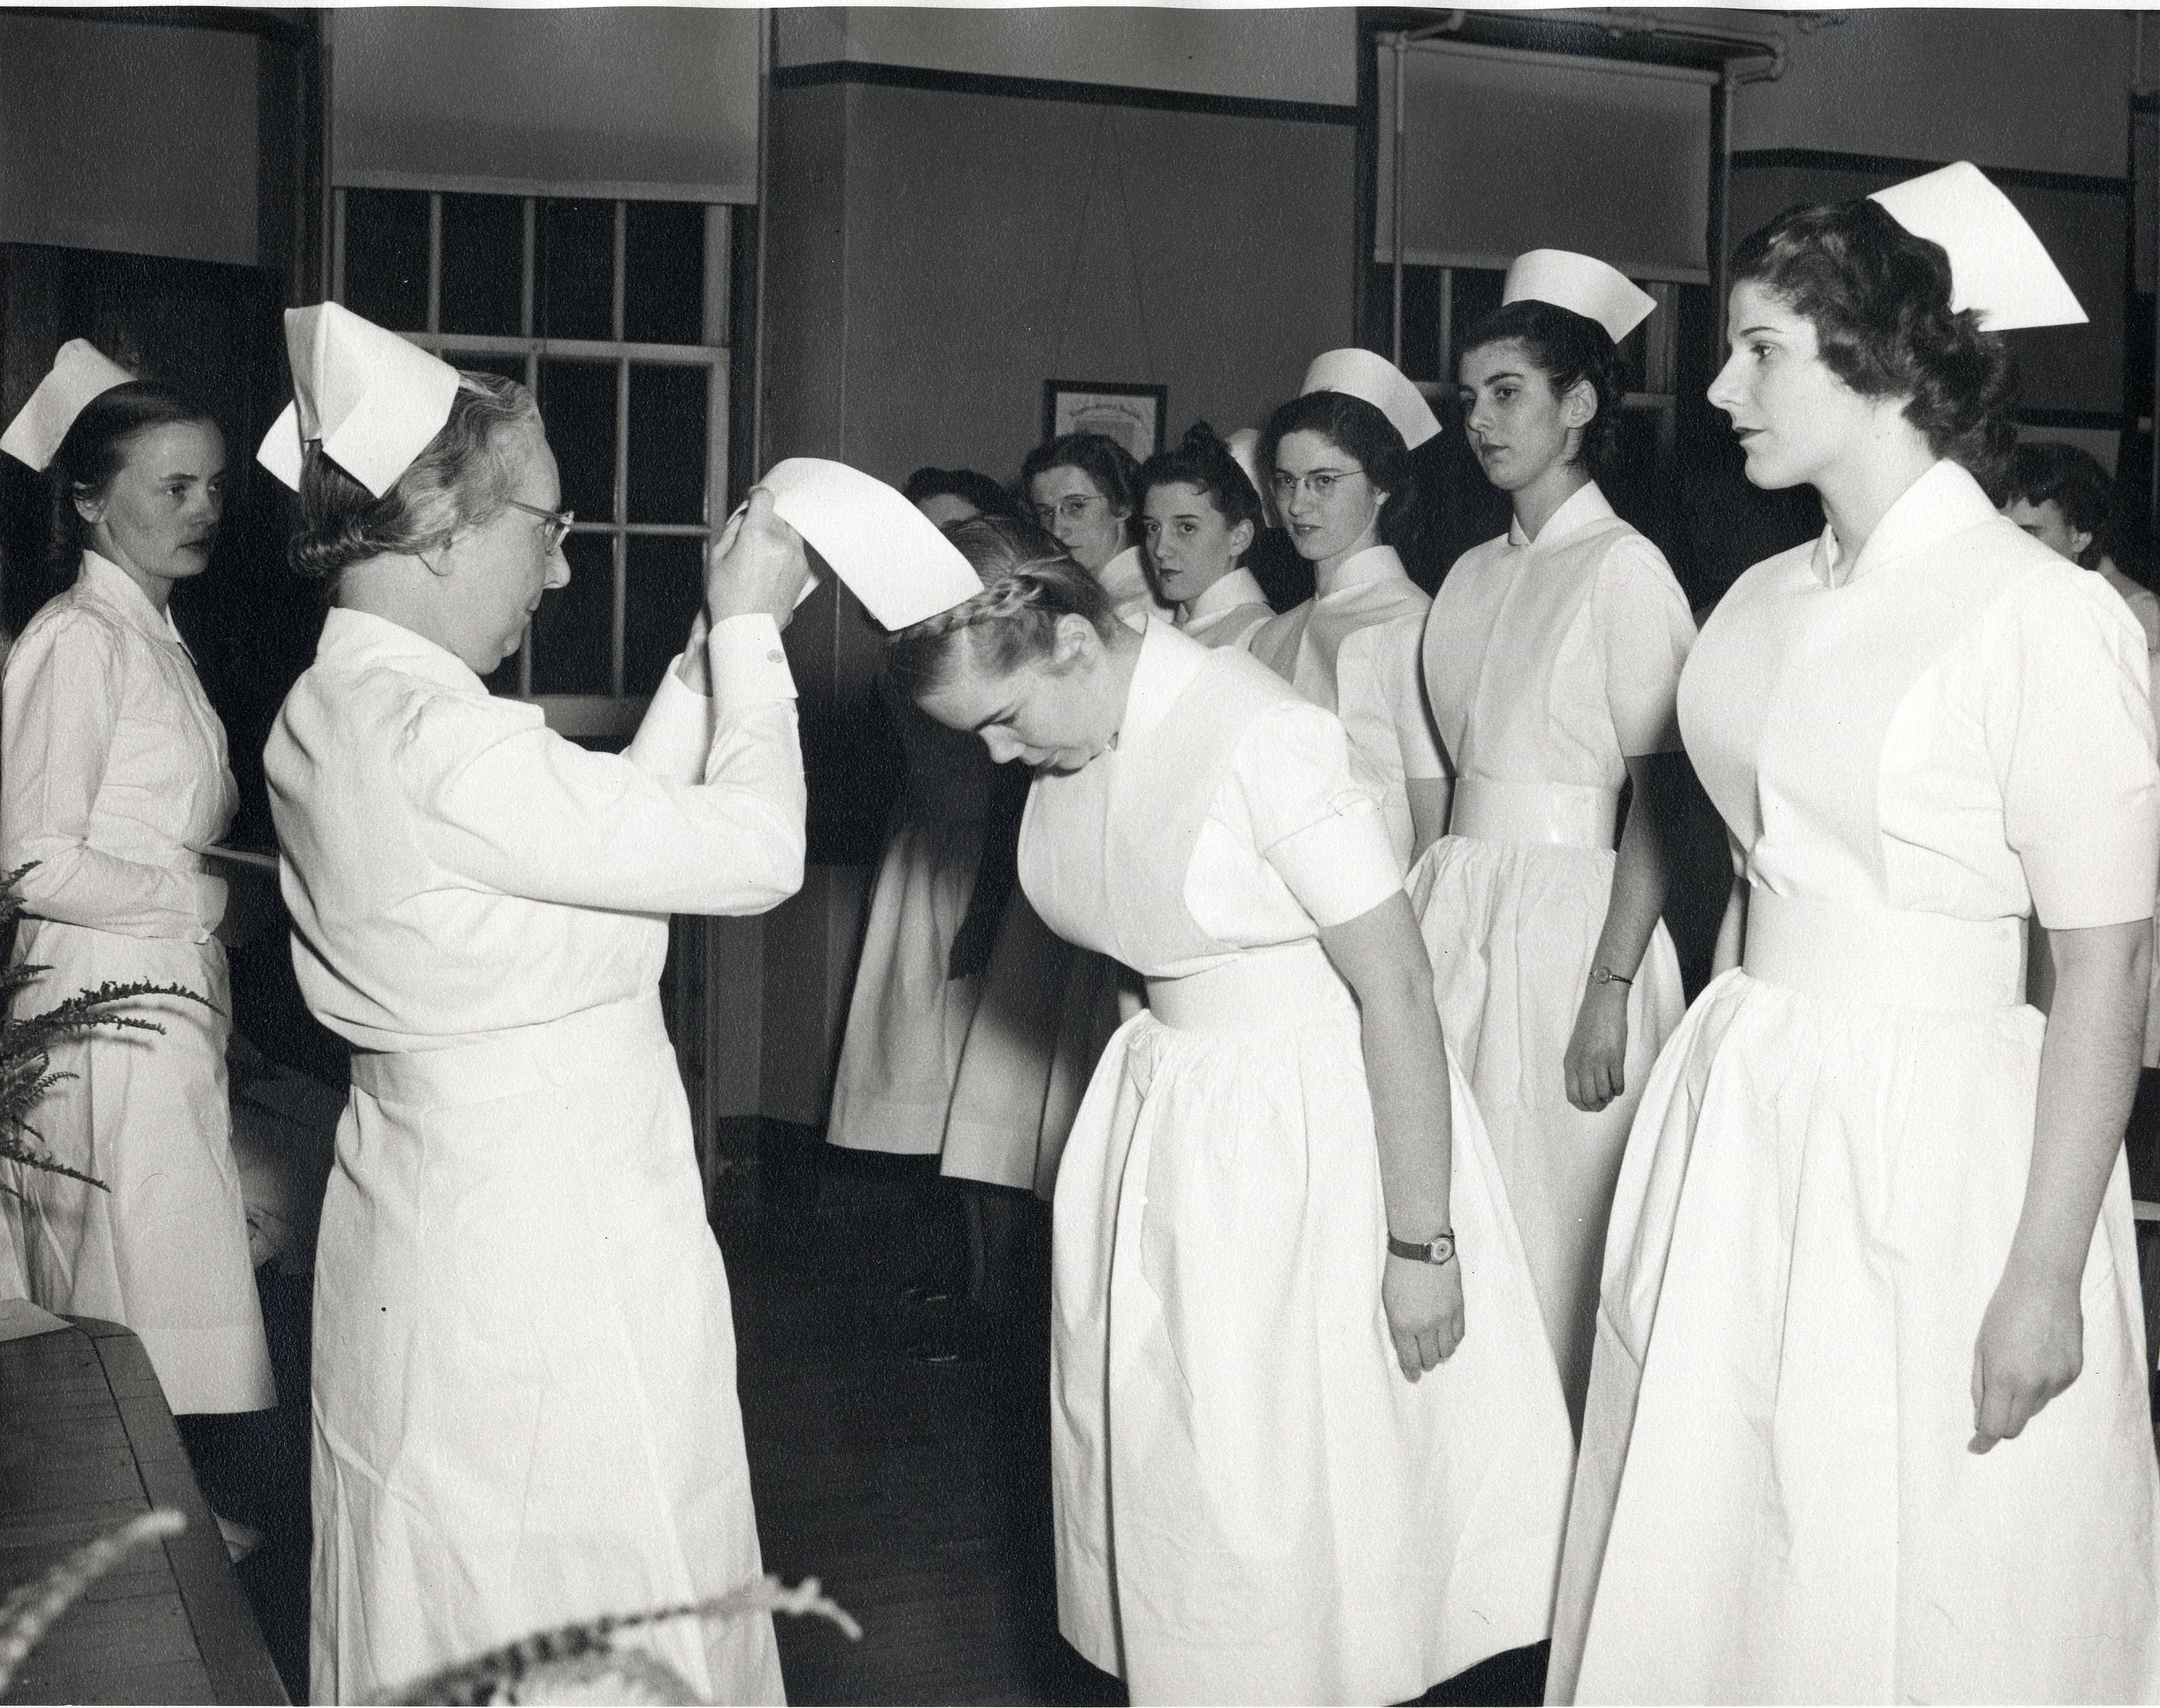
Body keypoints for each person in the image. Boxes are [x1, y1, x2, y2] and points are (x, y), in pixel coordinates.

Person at [1551, 164, 2160, 1703]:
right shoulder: (1758, 590)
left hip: (1940, 1132)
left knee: (1917, 1538)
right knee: (1722, 1515)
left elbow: (2108, 960)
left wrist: (2041, 1277)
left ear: (1884, 363)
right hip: (1752, 1091)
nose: (1717, 385)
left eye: (1759, 349)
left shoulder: (2040, 613)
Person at [884, 516, 1573, 1705]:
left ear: (1068, 642)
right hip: (1170, 1125)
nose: (998, 755)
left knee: (1311, 1508)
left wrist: (1421, 1237)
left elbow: (1398, 984)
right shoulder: (1080, 736)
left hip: (1310, 1144)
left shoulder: (1261, 734)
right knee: (1180, 1494)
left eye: (1002, 718)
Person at [259, 302, 807, 1703]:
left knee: (446, 1560)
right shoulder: (444, 740)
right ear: (445, 529)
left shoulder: (339, 705)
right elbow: (754, 855)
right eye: (548, 530)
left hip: (441, 1208)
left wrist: (701, 652)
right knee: (586, 1561)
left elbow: (600, 827)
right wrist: (751, 645)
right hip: (548, 1238)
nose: (558, 576)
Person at [1411, 252, 1697, 1426]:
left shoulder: (1623, 568)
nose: (1479, 419)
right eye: (1467, 397)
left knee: (1554, 1229)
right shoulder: (1471, 571)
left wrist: (1610, 986)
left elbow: (1665, 803)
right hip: (1457, 915)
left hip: (1575, 931)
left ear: (1579, 406)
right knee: (1447, 1213)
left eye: (1508, 392)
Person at [0, 342, 276, 1428]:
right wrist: (209, 900)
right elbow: (30, 856)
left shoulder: (152, 635)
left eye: (213, 484)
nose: (204, 507)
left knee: (163, 1264)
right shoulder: (78, 641)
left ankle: (166, 1521)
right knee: (130, 1273)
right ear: (89, 503)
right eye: (173, 486)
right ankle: (143, 1531)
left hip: (155, 993)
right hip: (102, 997)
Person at [827, 466, 1021, 1358]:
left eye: (962, 530)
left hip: (986, 863)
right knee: (936, 1087)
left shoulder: (1006, 642)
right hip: (923, 860)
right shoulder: (907, 641)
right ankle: (962, 1271)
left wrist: (988, 903)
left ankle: (996, 1297)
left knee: (988, 1093)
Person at [1248, 351, 1451, 866]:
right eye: (1286, 481)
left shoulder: (1411, 625)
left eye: (1324, 480)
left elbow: (1436, 833)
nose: (1297, 505)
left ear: (1380, 486)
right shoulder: (1271, 635)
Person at [1138, 422, 1274, 649]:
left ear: (1239, 537)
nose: (1160, 550)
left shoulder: (1255, 636)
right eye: (1153, 528)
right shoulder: (1177, 627)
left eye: (1186, 528)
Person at [1021, 431, 1171, 626]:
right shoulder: (1084, 596)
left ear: (1122, 506)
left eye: (1076, 506)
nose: (1056, 531)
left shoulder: (1141, 610)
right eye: (1046, 513)